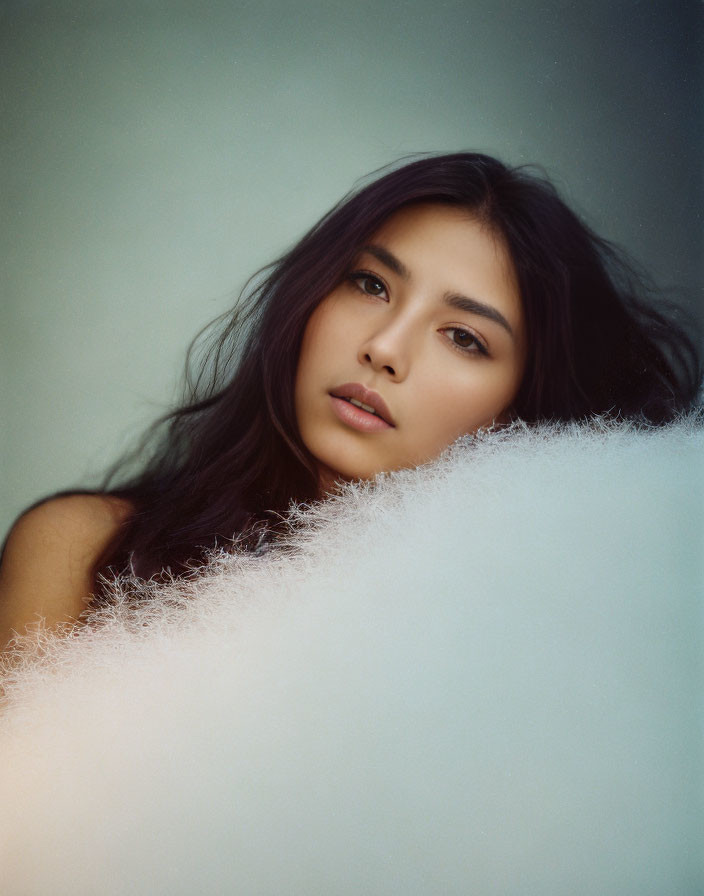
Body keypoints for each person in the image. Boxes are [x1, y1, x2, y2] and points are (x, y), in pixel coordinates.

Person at [0, 152, 701, 648]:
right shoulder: (83, 552)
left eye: (463, 337)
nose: (386, 347)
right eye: (370, 285)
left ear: (524, 407)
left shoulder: (535, 647)